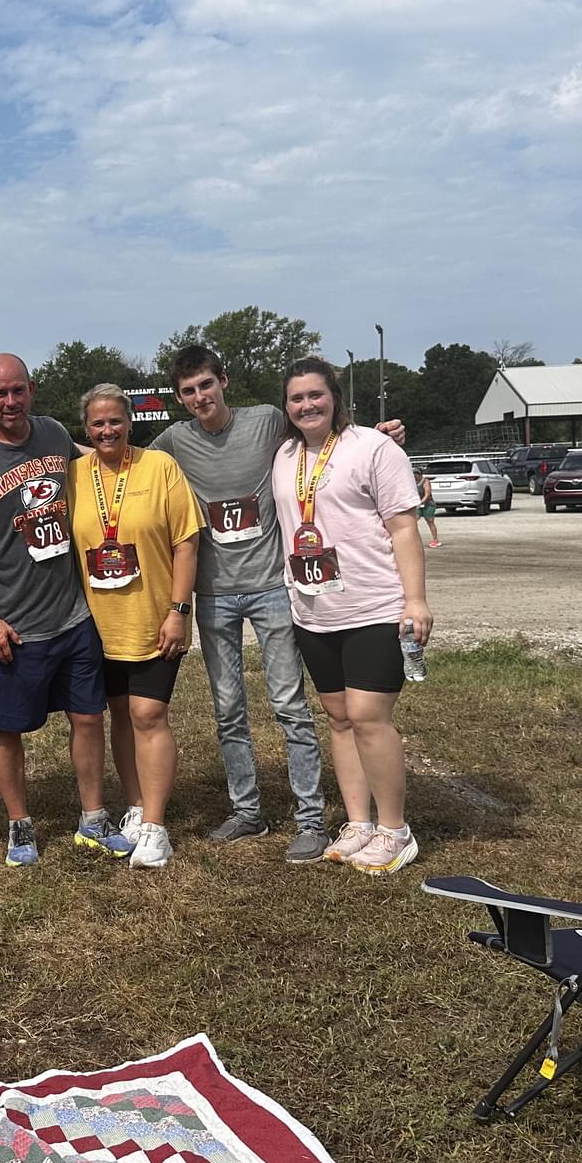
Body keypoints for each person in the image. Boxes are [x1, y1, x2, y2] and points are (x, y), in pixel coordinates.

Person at [153, 345, 404, 864]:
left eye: (206, 384)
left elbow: (326, 438)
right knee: (228, 709)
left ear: (224, 380)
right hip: (214, 593)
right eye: (188, 391)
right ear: (180, 399)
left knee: (290, 706)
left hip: (273, 587)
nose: (200, 397)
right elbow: (125, 459)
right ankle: (247, 811)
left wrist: (383, 438)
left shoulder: (267, 421)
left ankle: (310, 819)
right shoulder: (175, 441)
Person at [0, 354, 130, 867]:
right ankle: (18, 824)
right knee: (8, 730)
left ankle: (93, 818)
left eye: (18, 391)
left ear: (31, 390)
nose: (10, 402)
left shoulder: (51, 434)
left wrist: (131, 457)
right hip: (15, 626)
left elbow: (93, 460)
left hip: (72, 615)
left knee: (88, 718)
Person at [271, 358, 432, 876]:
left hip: (374, 606)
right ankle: (359, 822)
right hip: (314, 611)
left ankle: (395, 830)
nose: (306, 405)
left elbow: (404, 528)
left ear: (334, 397)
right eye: (296, 398)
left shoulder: (374, 447)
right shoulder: (285, 455)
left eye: (315, 395)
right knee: (339, 719)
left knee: (368, 717)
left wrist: (416, 601)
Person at [69, 385, 203, 870]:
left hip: (154, 620)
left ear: (130, 422)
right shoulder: (72, 476)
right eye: (98, 423)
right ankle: (134, 807)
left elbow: (186, 542)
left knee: (148, 715)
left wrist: (178, 610)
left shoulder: (159, 467)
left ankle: (156, 826)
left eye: (115, 421)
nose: (107, 431)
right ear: (86, 428)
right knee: (119, 716)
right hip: (95, 627)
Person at [416, 468, 441, 547]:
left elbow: (427, 494)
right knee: (413, 521)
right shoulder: (413, 482)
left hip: (428, 504)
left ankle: (435, 540)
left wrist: (421, 502)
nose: (414, 477)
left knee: (430, 521)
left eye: (415, 475)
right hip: (418, 505)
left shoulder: (426, 481)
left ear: (420, 474)